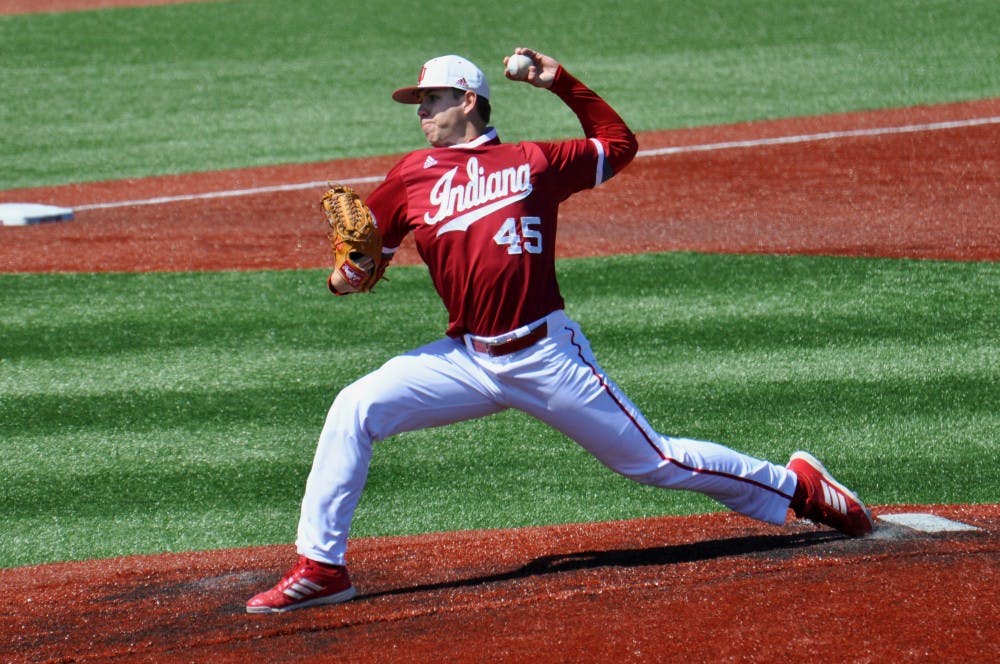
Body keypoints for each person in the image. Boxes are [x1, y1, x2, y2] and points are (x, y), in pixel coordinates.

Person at [246, 48, 874, 614]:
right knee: (355, 406)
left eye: (432, 99)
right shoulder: (411, 175)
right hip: (466, 358)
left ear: (468, 99)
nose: (422, 112)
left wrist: (560, 82)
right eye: (418, 104)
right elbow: (360, 261)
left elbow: (619, 144)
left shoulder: (535, 162)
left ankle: (799, 487)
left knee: (654, 460)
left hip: (546, 355)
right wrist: (346, 277)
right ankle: (322, 567)